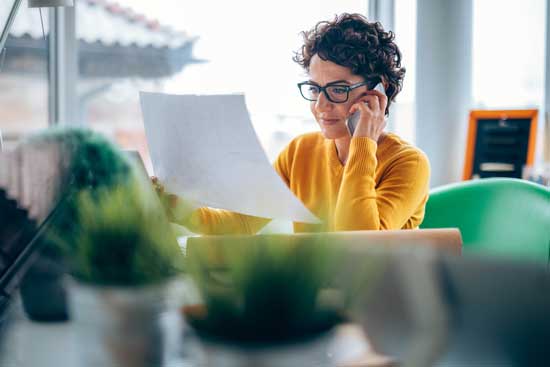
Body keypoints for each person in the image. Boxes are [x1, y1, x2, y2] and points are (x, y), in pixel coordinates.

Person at [153, 13, 430, 234]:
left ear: (377, 93)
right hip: (313, 295)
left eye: (338, 89)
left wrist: (363, 142)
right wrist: (175, 206)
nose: (321, 105)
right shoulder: (300, 151)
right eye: (314, 89)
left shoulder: (408, 163)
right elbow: (239, 224)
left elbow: (358, 243)